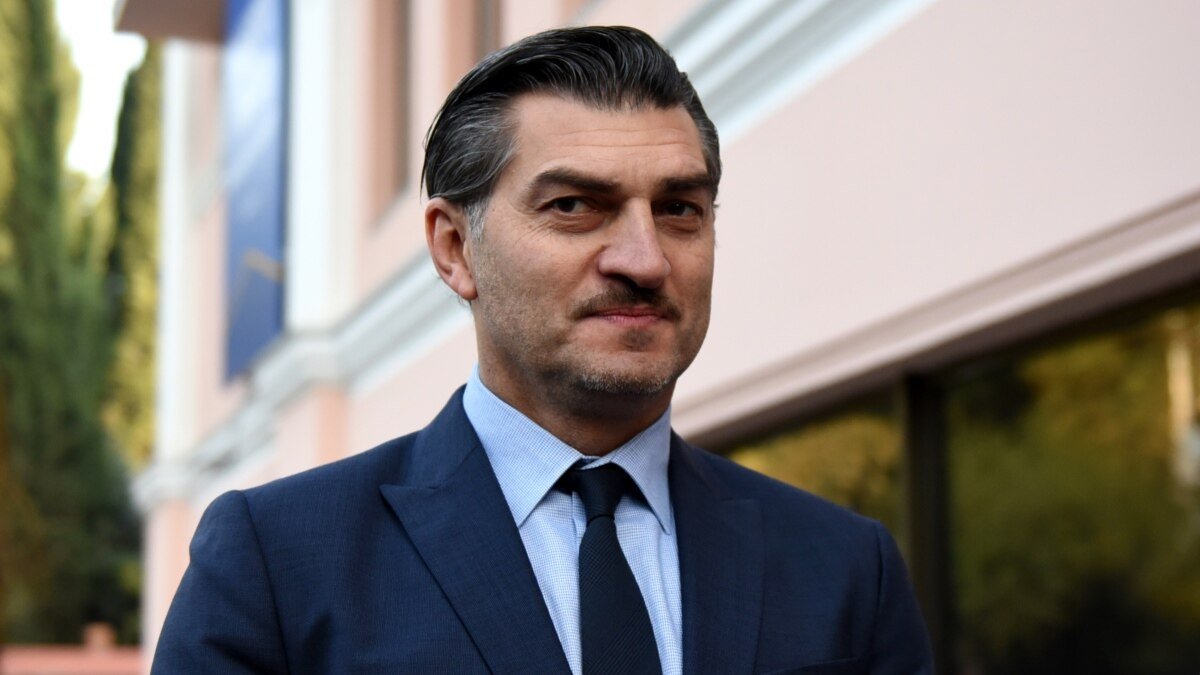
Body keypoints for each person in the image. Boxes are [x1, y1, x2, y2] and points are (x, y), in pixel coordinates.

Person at [152, 26, 933, 674]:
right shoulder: (277, 561)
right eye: (574, 205)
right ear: (455, 247)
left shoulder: (845, 570)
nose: (645, 259)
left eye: (679, 208)